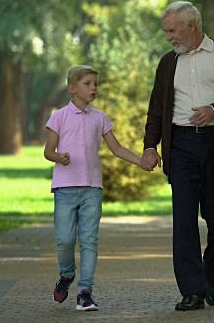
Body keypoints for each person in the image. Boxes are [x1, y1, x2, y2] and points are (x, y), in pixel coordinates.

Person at [140, 1, 214, 311]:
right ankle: (192, 291)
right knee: (184, 220)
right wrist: (150, 146)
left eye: (171, 30)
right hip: (180, 147)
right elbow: (157, 109)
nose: (168, 37)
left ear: (191, 26)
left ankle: (212, 276)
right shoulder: (167, 63)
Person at [44, 65, 151, 311]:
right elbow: (48, 151)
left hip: (92, 188)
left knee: (89, 240)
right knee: (65, 240)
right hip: (65, 189)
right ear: (72, 88)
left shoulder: (99, 117)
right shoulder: (59, 117)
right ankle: (67, 275)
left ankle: (85, 292)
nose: (93, 88)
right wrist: (59, 158)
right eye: (88, 83)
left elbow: (117, 148)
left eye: (95, 84)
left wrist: (141, 161)